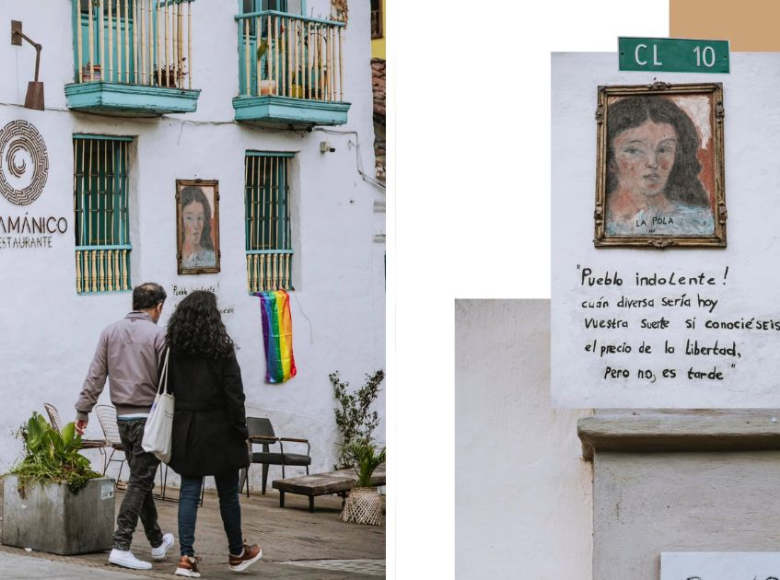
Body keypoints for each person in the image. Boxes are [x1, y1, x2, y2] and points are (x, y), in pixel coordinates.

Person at [74, 282, 175, 570]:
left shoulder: (109, 332)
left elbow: (96, 375)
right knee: (140, 481)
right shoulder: (159, 336)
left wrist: (84, 410)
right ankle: (121, 544)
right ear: (157, 307)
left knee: (138, 481)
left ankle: (156, 541)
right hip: (149, 420)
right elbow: (170, 381)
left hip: (123, 420)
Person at [165, 290, 262, 578]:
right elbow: (235, 395)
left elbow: (169, 387)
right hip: (220, 428)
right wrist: (241, 429)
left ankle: (186, 557)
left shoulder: (175, 350)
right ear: (213, 317)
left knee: (189, 491)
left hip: (186, 426)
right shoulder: (222, 349)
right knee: (228, 495)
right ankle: (236, 552)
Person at [605, 95, 715, 237]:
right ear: (611, 159)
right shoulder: (599, 219)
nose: (652, 162)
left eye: (663, 149)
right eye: (633, 150)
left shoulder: (700, 222)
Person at [179, 186, 216, 268]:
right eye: (189, 218)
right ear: (181, 221)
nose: (196, 226)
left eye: (199, 218)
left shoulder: (211, 259)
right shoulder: (176, 257)